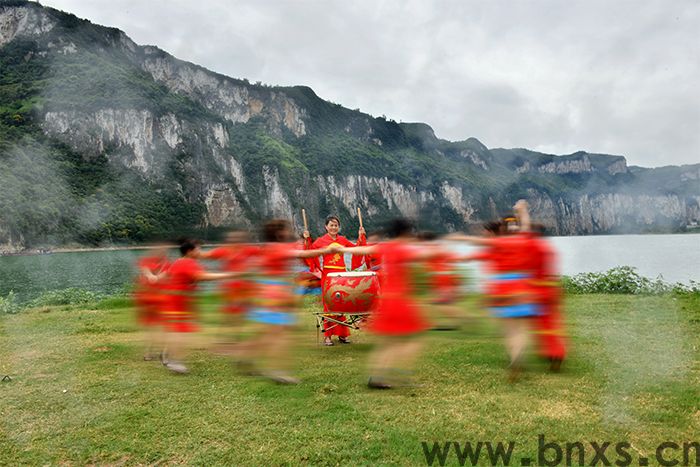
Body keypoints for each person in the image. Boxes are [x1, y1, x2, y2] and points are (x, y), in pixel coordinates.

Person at [448, 200, 540, 381]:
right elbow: (526, 226)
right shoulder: (523, 240)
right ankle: (517, 357)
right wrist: (522, 210)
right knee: (521, 330)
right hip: (521, 286)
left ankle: (513, 359)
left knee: (509, 330)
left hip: (502, 288)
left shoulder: (497, 244)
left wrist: (458, 238)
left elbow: (475, 244)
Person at [341, 218, 437, 389]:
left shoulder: (384, 247)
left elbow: (361, 250)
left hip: (386, 300)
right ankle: (401, 373)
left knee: (388, 342)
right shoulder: (403, 249)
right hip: (400, 301)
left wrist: (338, 248)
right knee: (413, 340)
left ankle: (377, 376)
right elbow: (426, 254)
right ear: (406, 233)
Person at [236, 219, 333, 384]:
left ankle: (246, 357)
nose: (289, 232)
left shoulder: (267, 248)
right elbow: (303, 254)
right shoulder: (278, 249)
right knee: (279, 333)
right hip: (274, 294)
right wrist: (328, 249)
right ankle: (277, 371)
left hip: (267, 292)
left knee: (269, 332)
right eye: (286, 230)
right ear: (279, 233)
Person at [160, 239, 237, 374]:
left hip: (175, 301)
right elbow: (202, 276)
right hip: (178, 302)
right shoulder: (188, 263)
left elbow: (168, 277)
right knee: (180, 331)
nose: (200, 252)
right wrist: (228, 275)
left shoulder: (179, 262)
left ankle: (167, 355)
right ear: (190, 251)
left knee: (177, 330)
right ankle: (174, 362)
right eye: (198, 250)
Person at [303, 215, 366, 346]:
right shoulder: (321, 241)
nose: (334, 227)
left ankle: (343, 334)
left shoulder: (343, 240)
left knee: (341, 303)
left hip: (342, 274)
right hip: (329, 275)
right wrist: (307, 239)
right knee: (329, 304)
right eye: (331, 225)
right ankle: (328, 336)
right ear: (326, 227)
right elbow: (310, 252)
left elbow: (355, 249)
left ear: (338, 227)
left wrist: (361, 237)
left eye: (336, 225)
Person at [201, 230, 259, 352]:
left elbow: (266, 254)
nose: (235, 241)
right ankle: (224, 342)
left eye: (238, 238)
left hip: (244, 289)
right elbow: (205, 255)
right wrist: (191, 251)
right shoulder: (224, 250)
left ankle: (230, 341)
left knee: (240, 315)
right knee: (231, 315)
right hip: (230, 289)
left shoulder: (248, 249)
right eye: (233, 239)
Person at [529, 224, 567, 371]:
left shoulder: (533, 249)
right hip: (552, 288)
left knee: (540, 323)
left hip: (538, 289)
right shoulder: (549, 248)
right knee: (553, 323)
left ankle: (550, 352)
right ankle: (557, 351)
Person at [133, 245, 171, 361]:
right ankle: (163, 353)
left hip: (149, 300)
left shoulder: (148, 261)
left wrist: (152, 277)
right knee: (167, 327)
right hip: (159, 301)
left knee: (152, 329)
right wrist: (153, 277)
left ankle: (149, 353)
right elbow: (156, 275)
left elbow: (148, 273)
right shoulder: (167, 264)